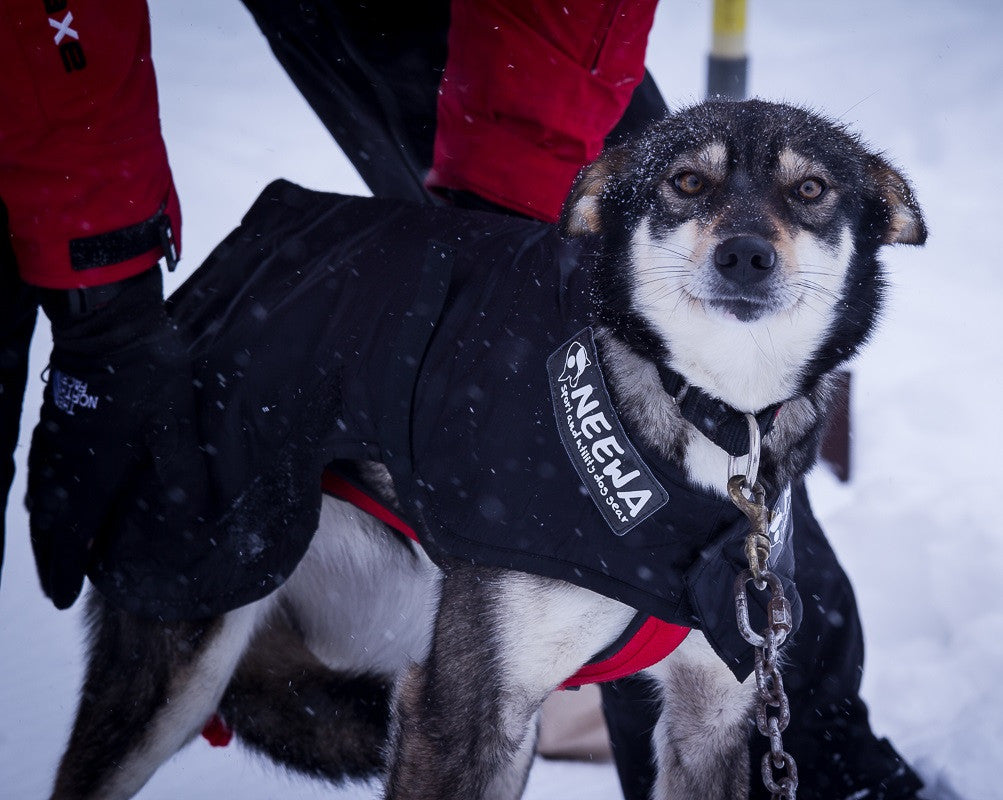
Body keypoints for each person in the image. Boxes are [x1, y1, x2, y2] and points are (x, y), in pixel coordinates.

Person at [0, 1, 925, 797]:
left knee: (736, 614)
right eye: (692, 191)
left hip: (536, 38)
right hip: (47, 62)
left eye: (805, 197)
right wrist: (103, 306)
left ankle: (820, 763)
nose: (748, 241)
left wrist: (504, 196)